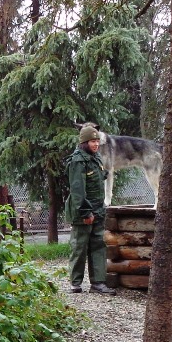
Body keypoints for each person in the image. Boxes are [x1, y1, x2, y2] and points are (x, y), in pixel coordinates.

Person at [66, 123, 114, 294]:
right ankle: (75, 283)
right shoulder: (78, 161)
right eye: (92, 141)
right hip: (83, 211)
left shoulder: (96, 157)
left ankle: (98, 283)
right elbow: (77, 190)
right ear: (84, 142)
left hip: (98, 209)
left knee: (98, 246)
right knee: (79, 247)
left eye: (97, 141)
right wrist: (86, 212)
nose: (96, 144)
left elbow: (97, 178)